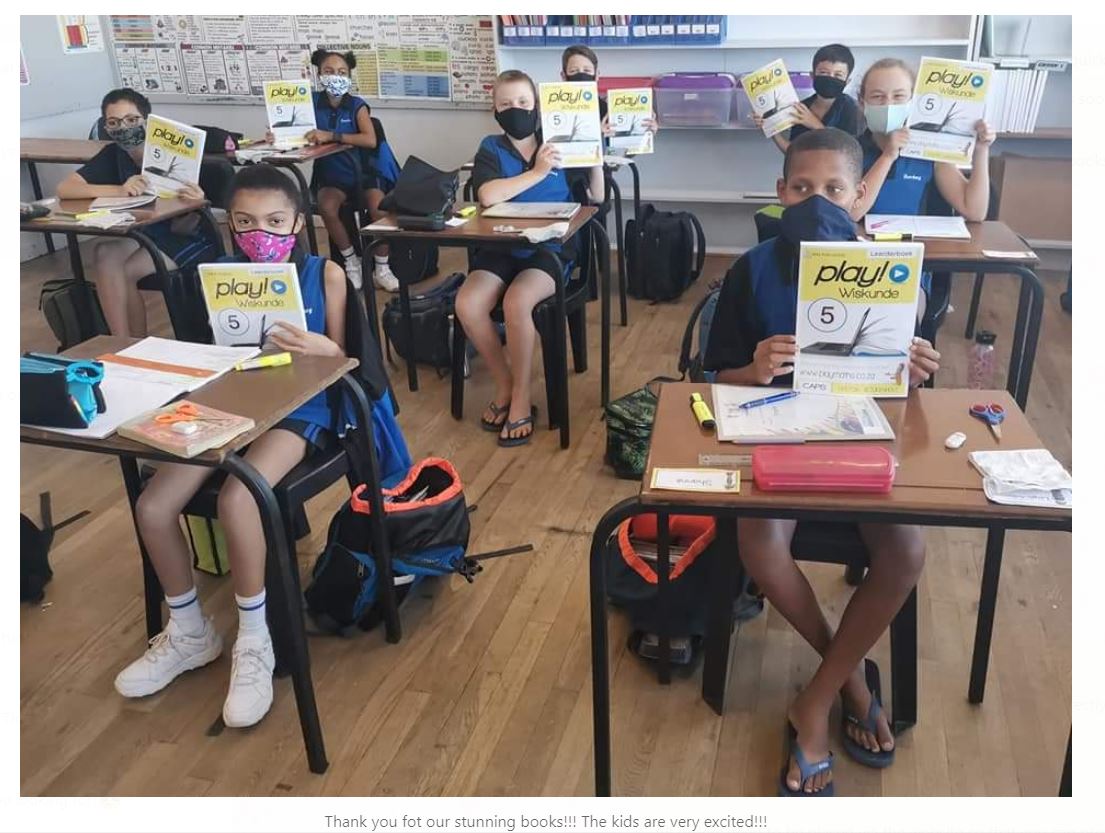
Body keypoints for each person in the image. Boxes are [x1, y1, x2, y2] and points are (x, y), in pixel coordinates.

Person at [703, 128, 941, 796]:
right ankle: (851, 678)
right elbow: (707, 376)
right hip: (775, 433)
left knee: (904, 551)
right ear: (780, 195)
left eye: (834, 190)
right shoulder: (752, 269)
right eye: (801, 189)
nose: (816, 202)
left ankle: (817, 696)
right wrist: (750, 369)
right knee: (760, 543)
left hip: (863, 437)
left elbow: (908, 392)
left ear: (859, 197)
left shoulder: (898, 273)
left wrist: (917, 368)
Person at [114, 164, 354, 728]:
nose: (259, 234)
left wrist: (322, 347)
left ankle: (254, 636)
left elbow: (346, 363)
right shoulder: (215, 275)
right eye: (244, 222)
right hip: (228, 401)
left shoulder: (326, 275)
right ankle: (190, 630)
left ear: (297, 223)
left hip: (301, 407)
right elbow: (200, 358)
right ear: (229, 225)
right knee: (153, 504)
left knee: (237, 499)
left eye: (274, 221)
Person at [456, 70, 604, 447]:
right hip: (500, 247)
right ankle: (504, 383)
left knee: (517, 301)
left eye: (522, 102)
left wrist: (595, 156)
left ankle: (521, 395)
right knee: (468, 303)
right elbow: (488, 195)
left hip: (550, 250)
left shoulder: (557, 143)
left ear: (536, 105)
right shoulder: (491, 147)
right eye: (505, 104)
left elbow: (597, 197)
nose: (515, 109)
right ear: (494, 109)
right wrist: (538, 171)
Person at [56, 88, 215, 337]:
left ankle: (138, 344)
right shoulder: (114, 154)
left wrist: (198, 199)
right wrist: (119, 189)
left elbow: (196, 213)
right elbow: (66, 189)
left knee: (127, 270)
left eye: (132, 120)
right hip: (148, 232)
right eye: (114, 122)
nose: (124, 128)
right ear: (106, 128)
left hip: (186, 236)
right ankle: (121, 342)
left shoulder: (174, 152)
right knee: (104, 254)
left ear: (148, 121)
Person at [300, 49, 401, 292]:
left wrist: (332, 136)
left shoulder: (356, 106)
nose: (335, 76)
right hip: (332, 175)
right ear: (319, 74)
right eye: (329, 71)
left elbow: (370, 140)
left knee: (380, 209)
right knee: (327, 207)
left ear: (349, 76)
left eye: (341, 72)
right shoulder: (309, 102)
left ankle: (382, 267)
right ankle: (351, 262)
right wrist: (278, 133)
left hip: (365, 174)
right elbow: (291, 128)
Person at [852, 57, 995, 221]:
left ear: (913, 101)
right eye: (877, 96)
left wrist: (981, 150)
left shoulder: (927, 150)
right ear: (862, 103)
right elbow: (853, 213)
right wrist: (888, 156)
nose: (888, 104)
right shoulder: (849, 150)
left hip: (916, 243)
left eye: (898, 96)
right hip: (864, 243)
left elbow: (974, 212)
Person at [761, 43, 860, 154]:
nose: (830, 78)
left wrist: (815, 125)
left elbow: (849, 153)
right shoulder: (802, 108)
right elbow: (793, 153)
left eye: (838, 75)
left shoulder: (851, 109)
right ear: (812, 75)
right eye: (823, 72)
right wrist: (771, 129)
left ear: (847, 82)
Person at [560, 44, 659, 139]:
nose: (581, 75)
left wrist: (644, 133)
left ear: (597, 75)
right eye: (573, 71)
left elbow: (624, 151)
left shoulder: (607, 111)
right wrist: (594, 133)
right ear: (564, 76)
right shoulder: (550, 109)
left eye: (587, 71)